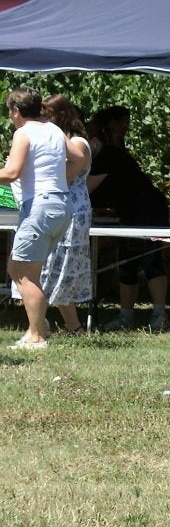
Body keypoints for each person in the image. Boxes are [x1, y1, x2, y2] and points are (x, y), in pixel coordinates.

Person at [11, 96, 92, 336]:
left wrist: (56, 178)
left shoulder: (72, 140)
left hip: (63, 209)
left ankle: (47, 330)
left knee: (45, 273)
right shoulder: (53, 135)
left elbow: (80, 160)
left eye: (48, 113)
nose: (43, 117)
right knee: (28, 269)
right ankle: (43, 325)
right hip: (58, 206)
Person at [87, 105, 170, 330]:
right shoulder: (109, 152)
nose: (127, 127)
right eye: (123, 123)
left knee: (151, 261)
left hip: (150, 211)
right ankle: (126, 317)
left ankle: (159, 315)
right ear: (111, 125)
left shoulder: (111, 154)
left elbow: (87, 190)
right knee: (127, 264)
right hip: (131, 212)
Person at [1, 86, 72, 349]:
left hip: (39, 206)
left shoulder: (24, 133)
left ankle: (37, 335)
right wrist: (62, 179)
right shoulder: (53, 129)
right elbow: (78, 158)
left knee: (22, 273)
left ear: (16, 111)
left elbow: (11, 173)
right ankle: (37, 329)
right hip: (60, 205)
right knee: (25, 270)